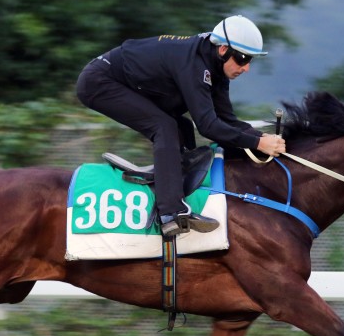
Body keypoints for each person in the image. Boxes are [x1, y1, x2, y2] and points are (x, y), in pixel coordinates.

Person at [76, 15, 286, 237]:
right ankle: (170, 212)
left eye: (250, 60)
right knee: (165, 127)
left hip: (130, 82)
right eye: (243, 59)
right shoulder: (195, 65)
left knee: (181, 127)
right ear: (223, 49)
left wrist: (264, 139)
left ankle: (175, 191)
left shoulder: (216, 67)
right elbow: (208, 127)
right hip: (99, 81)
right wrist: (258, 142)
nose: (246, 68)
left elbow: (227, 121)